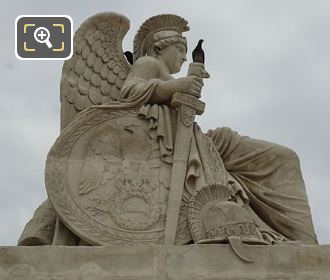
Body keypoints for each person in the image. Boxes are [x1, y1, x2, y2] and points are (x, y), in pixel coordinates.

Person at [19, 14, 317, 246]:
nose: (184, 57)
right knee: (281, 159)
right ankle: (299, 241)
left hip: (195, 141)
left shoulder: (160, 68)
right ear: (160, 47)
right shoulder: (148, 63)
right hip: (175, 145)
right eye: (180, 49)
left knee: (281, 158)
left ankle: (301, 242)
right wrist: (178, 86)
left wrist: (183, 89)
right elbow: (129, 93)